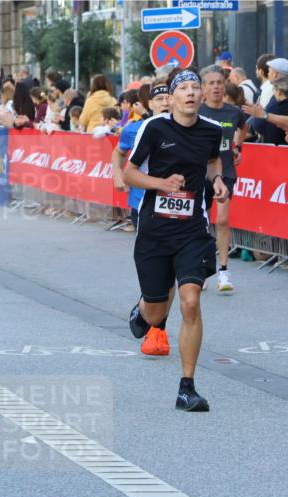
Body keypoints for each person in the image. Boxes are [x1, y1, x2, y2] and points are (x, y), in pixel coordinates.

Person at [123, 70, 228, 412]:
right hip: (155, 230)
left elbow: (213, 161)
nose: (192, 93)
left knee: (191, 300)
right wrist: (160, 184)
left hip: (192, 231)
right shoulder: (154, 128)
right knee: (155, 314)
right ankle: (143, 312)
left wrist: (218, 182)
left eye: (195, 87)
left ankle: (187, 387)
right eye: (183, 88)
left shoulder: (211, 131)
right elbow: (129, 172)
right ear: (171, 96)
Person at [112, 83, 171, 355]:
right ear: (150, 105)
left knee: (171, 273)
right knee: (155, 268)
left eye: (169, 96)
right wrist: (116, 174)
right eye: (159, 99)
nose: (165, 102)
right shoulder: (135, 128)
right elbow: (119, 152)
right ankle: (148, 311)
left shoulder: (190, 128)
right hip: (143, 205)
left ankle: (157, 327)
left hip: (178, 208)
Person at [199, 65, 246, 293]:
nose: (216, 87)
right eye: (211, 83)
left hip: (225, 170)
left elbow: (243, 129)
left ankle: (224, 271)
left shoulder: (233, 112)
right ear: (203, 88)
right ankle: (202, 266)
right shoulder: (196, 112)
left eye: (219, 82)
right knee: (201, 221)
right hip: (200, 172)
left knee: (223, 219)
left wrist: (238, 147)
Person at [245, 74, 288, 145]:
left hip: (273, 148)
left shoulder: (275, 108)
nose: (273, 93)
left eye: (273, 89)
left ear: (279, 92)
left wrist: (257, 113)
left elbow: (258, 127)